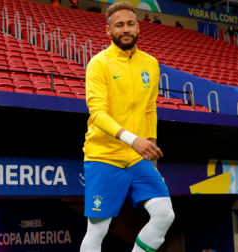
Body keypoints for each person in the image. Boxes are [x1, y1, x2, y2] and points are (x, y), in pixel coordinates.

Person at [80, 2, 174, 252]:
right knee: (98, 229)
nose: (126, 29)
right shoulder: (99, 64)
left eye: (130, 23)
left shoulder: (150, 64)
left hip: (137, 157)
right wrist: (134, 140)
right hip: (104, 156)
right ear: (108, 30)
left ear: (137, 27)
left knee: (165, 214)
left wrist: (150, 142)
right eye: (119, 25)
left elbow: (149, 108)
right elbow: (97, 114)